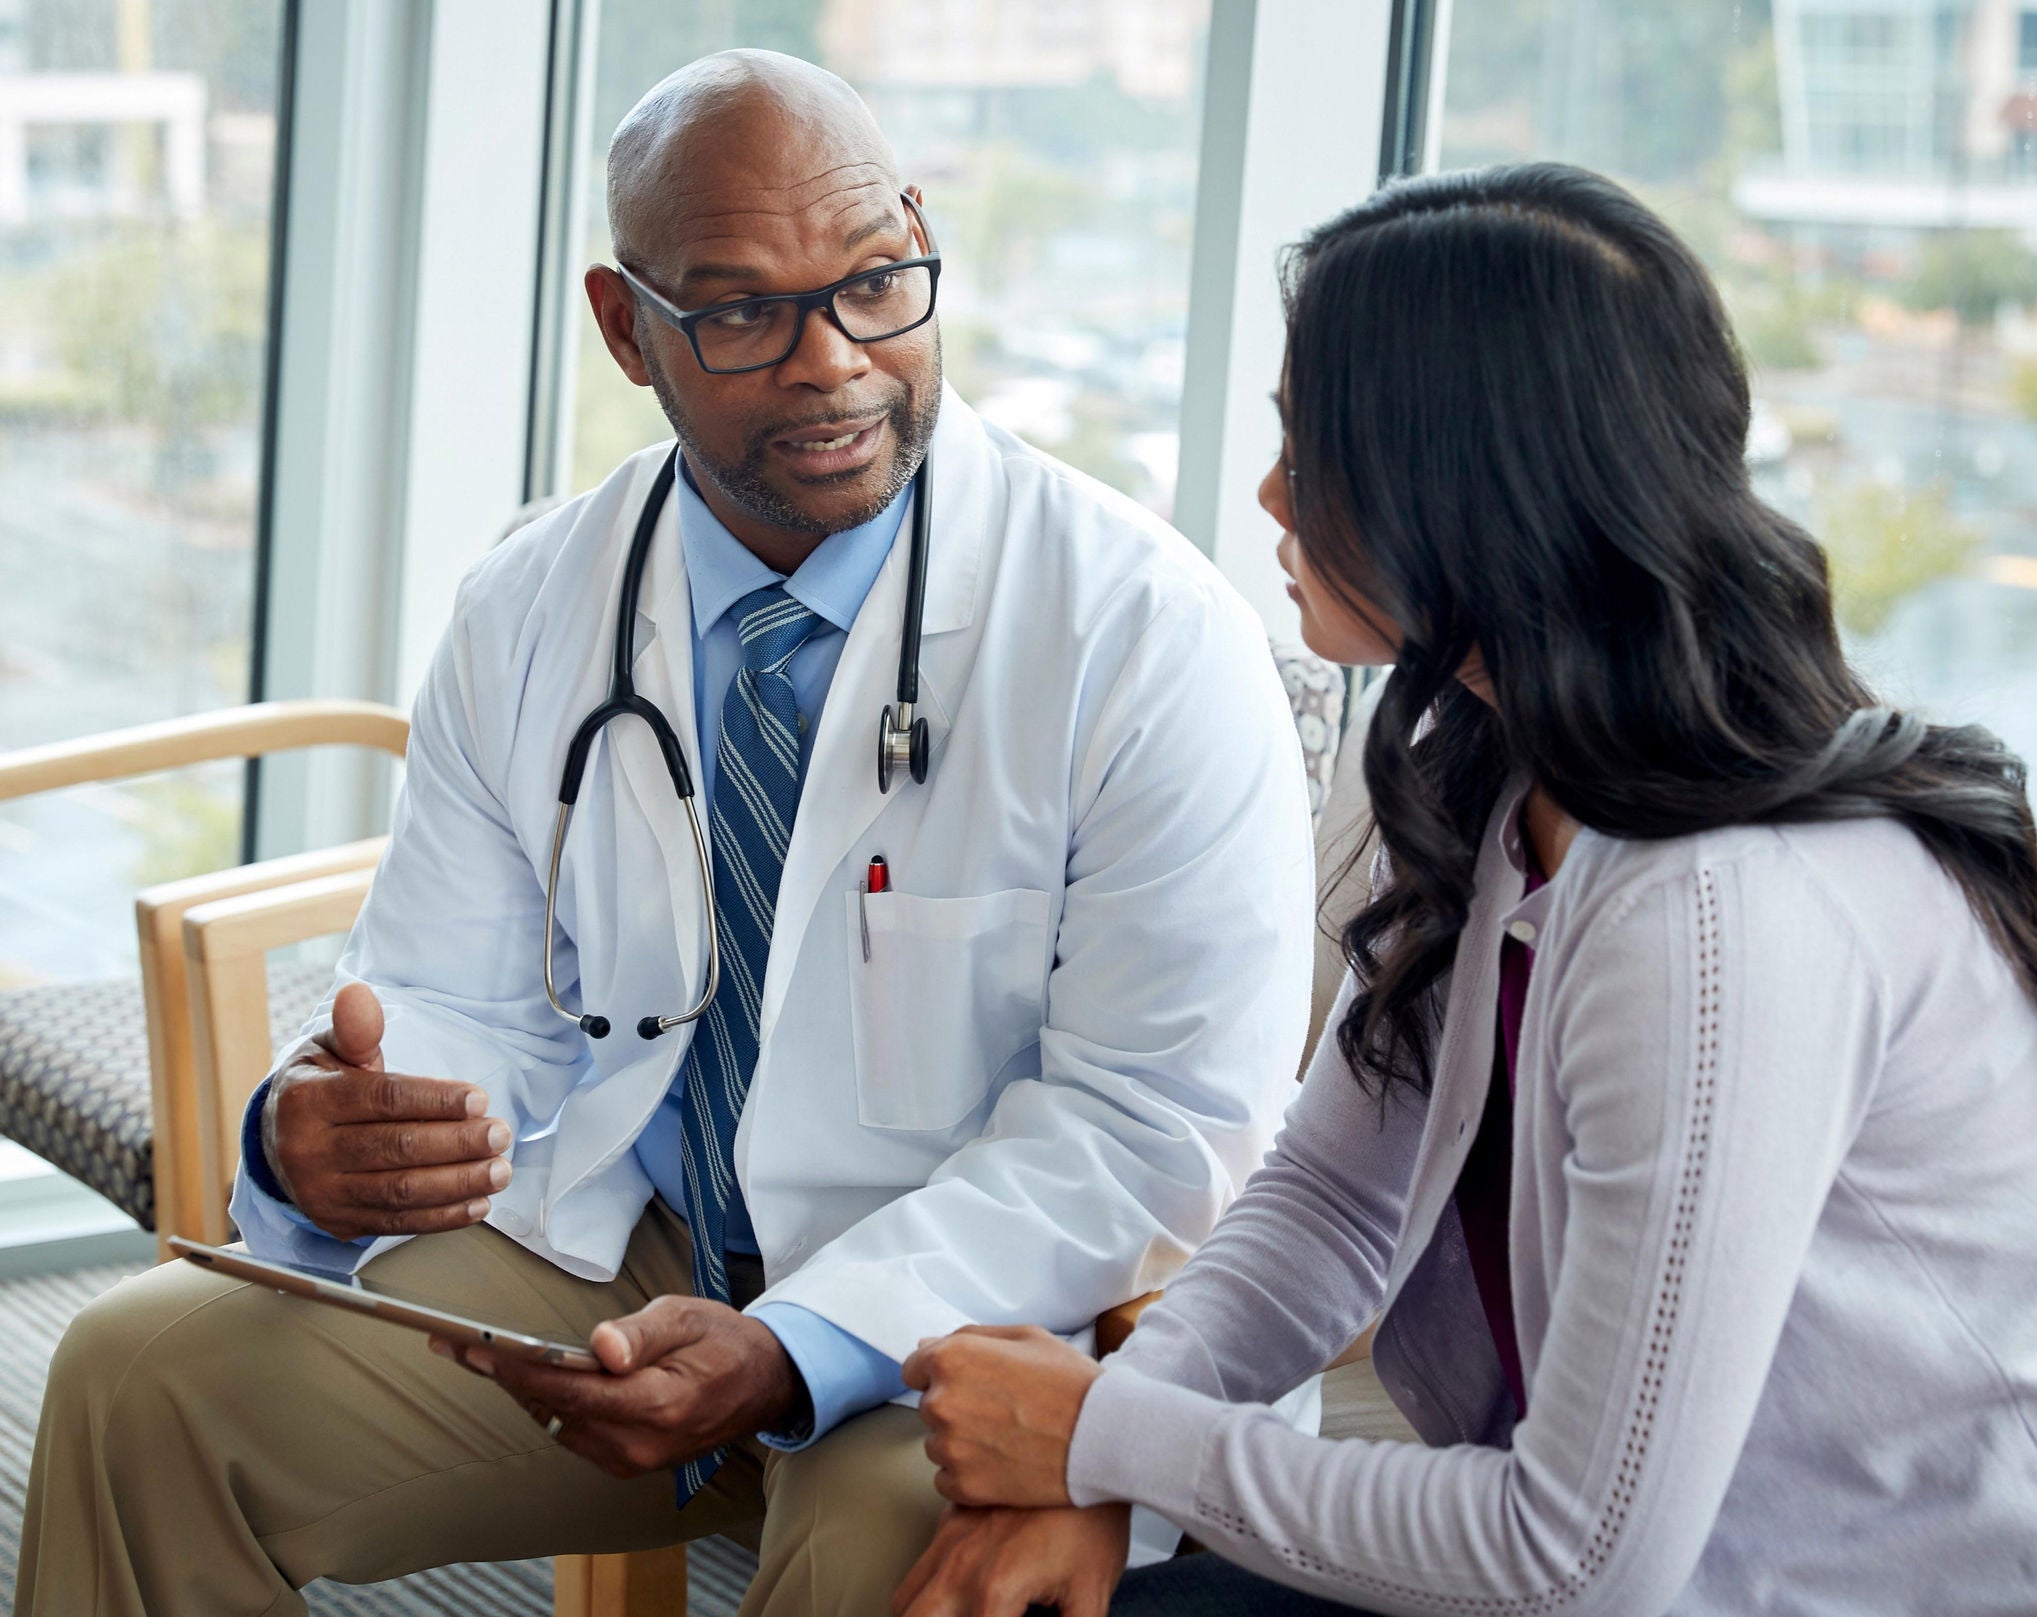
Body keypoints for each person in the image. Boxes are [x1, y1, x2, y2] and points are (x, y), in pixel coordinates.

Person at [18, 51, 1319, 1617]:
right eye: (743, 311)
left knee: (885, 1538)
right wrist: (329, 1137)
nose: (833, 361)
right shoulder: (532, 600)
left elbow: (1158, 1127)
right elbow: (453, 1002)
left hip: (979, 1317)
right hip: (629, 1258)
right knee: (138, 1380)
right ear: (626, 328)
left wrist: (796, 1342)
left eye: (874, 283)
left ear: (920, 235)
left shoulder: (1143, 633)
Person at [895, 163, 2037, 1616]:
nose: (1270, 493)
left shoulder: (1720, 913)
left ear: (1471, 486)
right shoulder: (1499, 772)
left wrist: (1108, 1437)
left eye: (1315, 448)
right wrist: (1103, 1465)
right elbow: (1330, 1198)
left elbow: (1578, 1561)